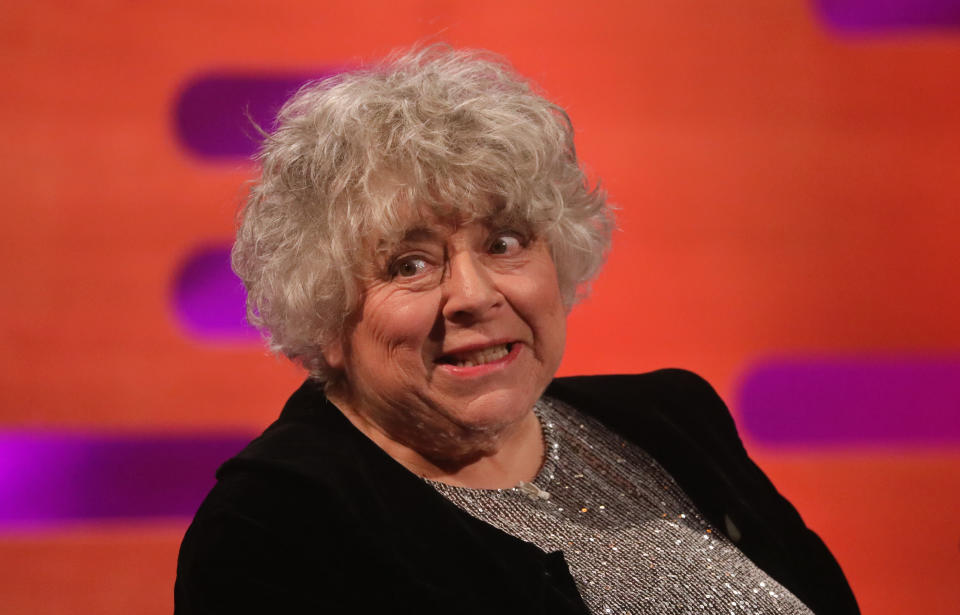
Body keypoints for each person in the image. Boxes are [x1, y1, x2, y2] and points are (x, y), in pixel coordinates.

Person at [175, 46, 859, 614]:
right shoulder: (274, 528)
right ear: (324, 310)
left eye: (504, 243)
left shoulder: (675, 418)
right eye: (410, 263)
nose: (473, 295)